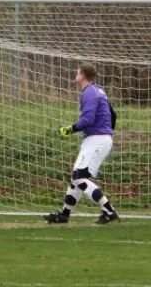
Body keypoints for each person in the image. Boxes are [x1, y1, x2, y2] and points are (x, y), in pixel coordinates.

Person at [44, 63, 119, 225]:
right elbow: (113, 114)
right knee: (76, 177)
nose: (75, 74)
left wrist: (69, 129)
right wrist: (107, 131)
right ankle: (64, 215)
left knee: (80, 179)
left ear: (83, 75)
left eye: (77, 72)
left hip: (97, 139)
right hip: (98, 138)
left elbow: (88, 120)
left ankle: (109, 211)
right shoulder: (98, 91)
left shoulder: (89, 93)